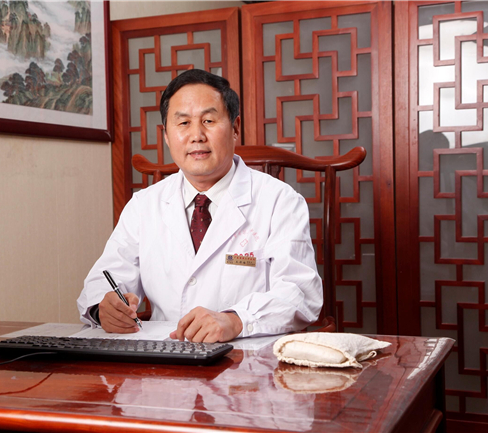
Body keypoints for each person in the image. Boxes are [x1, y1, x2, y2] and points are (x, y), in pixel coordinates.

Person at [77, 69, 322, 343]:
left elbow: (300, 293)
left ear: (235, 128)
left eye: (208, 120)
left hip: (246, 357)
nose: (197, 135)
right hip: (163, 357)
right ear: (166, 135)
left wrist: (237, 320)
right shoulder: (144, 205)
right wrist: (103, 308)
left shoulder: (280, 202)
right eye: (183, 123)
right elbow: (104, 279)